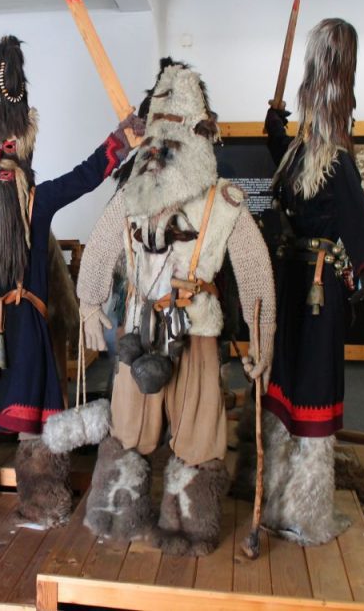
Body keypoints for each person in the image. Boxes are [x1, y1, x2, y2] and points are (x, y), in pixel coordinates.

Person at [0, 36, 139, 528]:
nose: (2, 159)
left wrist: (119, 143)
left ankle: (37, 498)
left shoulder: (30, 200)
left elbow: (86, 175)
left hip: (17, 330)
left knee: (32, 424)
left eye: (8, 150)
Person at [77, 59, 275, 555]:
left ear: (201, 132)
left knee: (198, 430)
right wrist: (88, 302)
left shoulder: (225, 202)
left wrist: (262, 335)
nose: (164, 145)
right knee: (129, 426)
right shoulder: (131, 196)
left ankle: (189, 524)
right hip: (139, 331)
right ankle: (118, 512)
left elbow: (254, 271)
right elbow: (100, 249)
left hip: (197, 329)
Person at [259, 18, 364, 546]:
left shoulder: (313, 159)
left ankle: (292, 506)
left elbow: (354, 221)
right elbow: (355, 222)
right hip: (307, 295)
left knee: (297, 391)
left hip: (305, 290)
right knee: (301, 391)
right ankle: (295, 510)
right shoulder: (317, 160)